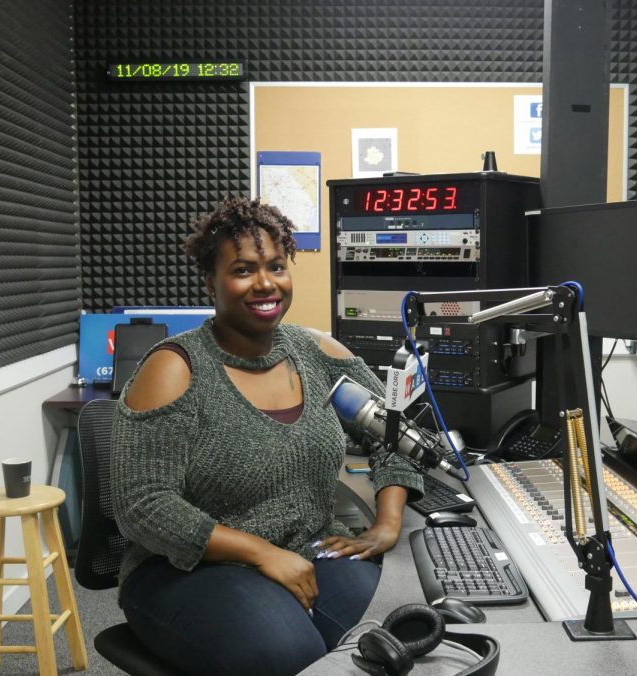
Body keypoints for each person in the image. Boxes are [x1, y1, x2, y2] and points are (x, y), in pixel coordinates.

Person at [111, 196, 423, 676]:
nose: (265, 284)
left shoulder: (317, 353)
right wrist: (261, 553)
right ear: (210, 280)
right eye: (243, 270)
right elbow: (143, 506)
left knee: (401, 632)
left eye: (276, 266)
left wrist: (387, 521)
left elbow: (395, 432)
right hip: (185, 569)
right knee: (288, 656)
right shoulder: (174, 368)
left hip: (306, 549)